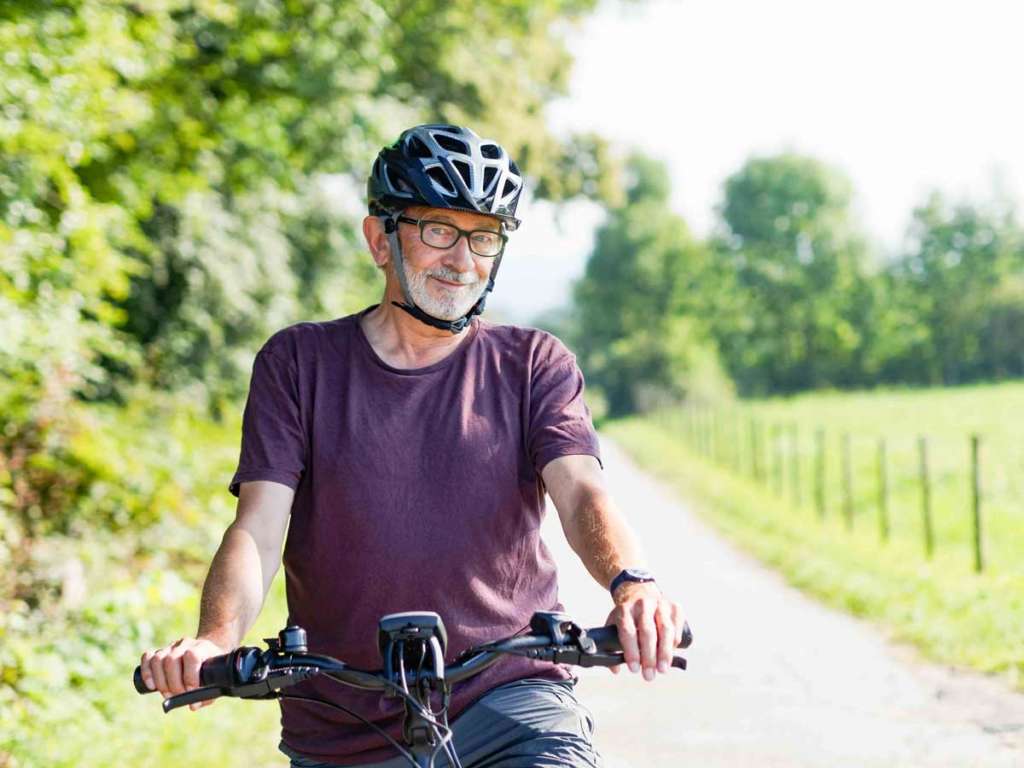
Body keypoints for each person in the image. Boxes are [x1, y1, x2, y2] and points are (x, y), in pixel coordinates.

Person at [139, 124, 686, 767]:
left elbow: (581, 490)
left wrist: (632, 583)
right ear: (379, 239)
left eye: (483, 236)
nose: (463, 260)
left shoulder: (534, 363)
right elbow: (259, 526)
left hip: (510, 702)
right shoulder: (299, 363)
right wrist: (215, 638)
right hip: (343, 724)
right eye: (438, 231)